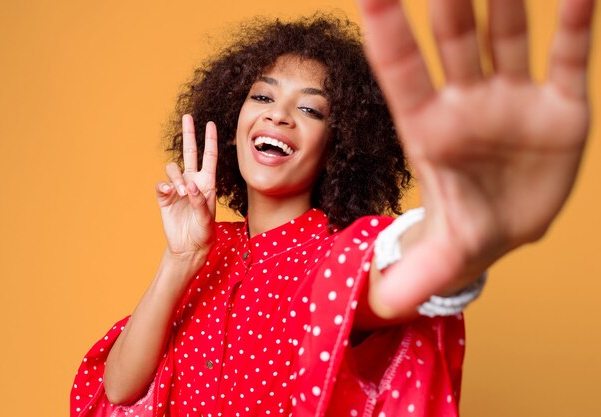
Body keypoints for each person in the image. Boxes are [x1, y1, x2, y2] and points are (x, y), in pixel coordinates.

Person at [70, 1, 596, 416]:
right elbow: (118, 388)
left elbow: (392, 277)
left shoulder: (338, 258)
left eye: (308, 109)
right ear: (233, 118)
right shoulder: (209, 249)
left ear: (339, 145)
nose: (278, 116)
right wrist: (180, 260)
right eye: (262, 98)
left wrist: (455, 239)